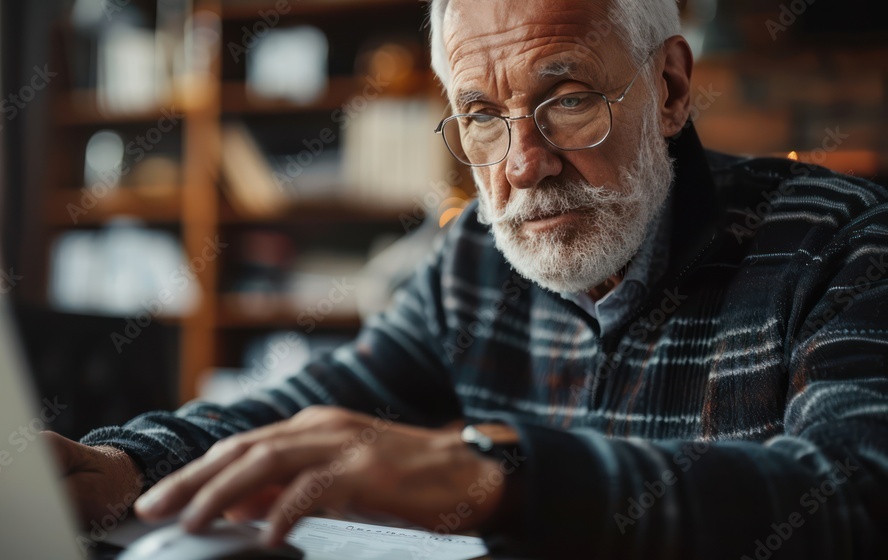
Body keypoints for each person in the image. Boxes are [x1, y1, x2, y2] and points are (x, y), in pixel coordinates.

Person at [47, 0, 888, 557]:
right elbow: (318, 411)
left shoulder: (844, 241)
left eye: (567, 98)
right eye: (483, 116)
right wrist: (129, 461)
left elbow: (857, 500)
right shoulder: (478, 259)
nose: (522, 166)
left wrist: (499, 474)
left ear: (669, 89)